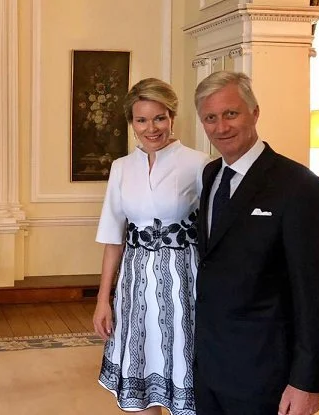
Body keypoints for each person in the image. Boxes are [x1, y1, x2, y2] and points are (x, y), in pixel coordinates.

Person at [193, 70, 319, 415]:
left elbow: (317, 293)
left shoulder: (298, 186)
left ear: (254, 112)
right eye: (210, 118)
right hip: (210, 369)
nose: (221, 127)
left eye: (231, 113)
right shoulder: (211, 175)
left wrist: (306, 382)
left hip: (266, 374)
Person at [93, 78, 209, 414]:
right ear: (131, 123)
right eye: (141, 120)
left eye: (159, 117)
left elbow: (215, 231)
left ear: (172, 116)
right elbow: (113, 238)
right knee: (140, 377)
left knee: (185, 372)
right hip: (134, 286)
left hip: (185, 284)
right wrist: (103, 299)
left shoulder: (199, 163)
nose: (151, 128)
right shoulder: (121, 168)